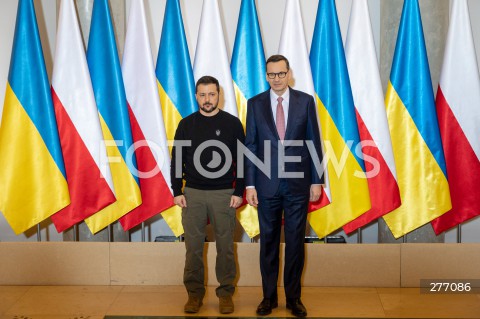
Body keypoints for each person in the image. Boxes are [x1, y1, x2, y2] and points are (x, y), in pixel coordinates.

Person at [245, 55, 324, 318]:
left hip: (298, 185)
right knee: (267, 243)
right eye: (271, 75)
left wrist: (317, 179)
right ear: (266, 76)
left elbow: (314, 142)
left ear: (289, 73)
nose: (276, 79)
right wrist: (250, 185)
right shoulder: (254, 104)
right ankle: (268, 298)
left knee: (294, 243)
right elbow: (252, 146)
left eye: (281, 74)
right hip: (266, 186)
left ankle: (294, 298)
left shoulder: (305, 101)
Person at [170, 75, 245, 315]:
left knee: (225, 247)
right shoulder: (186, 124)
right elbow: (177, 159)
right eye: (202, 95)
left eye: (211, 94)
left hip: (224, 193)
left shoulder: (233, 124)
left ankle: (225, 294)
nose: (207, 99)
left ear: (218, 95)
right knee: (193, 247)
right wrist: (176, 190)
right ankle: (194, 294)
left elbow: (242, 160)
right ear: (196, 96)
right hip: (192, 193)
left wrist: (239, 191)